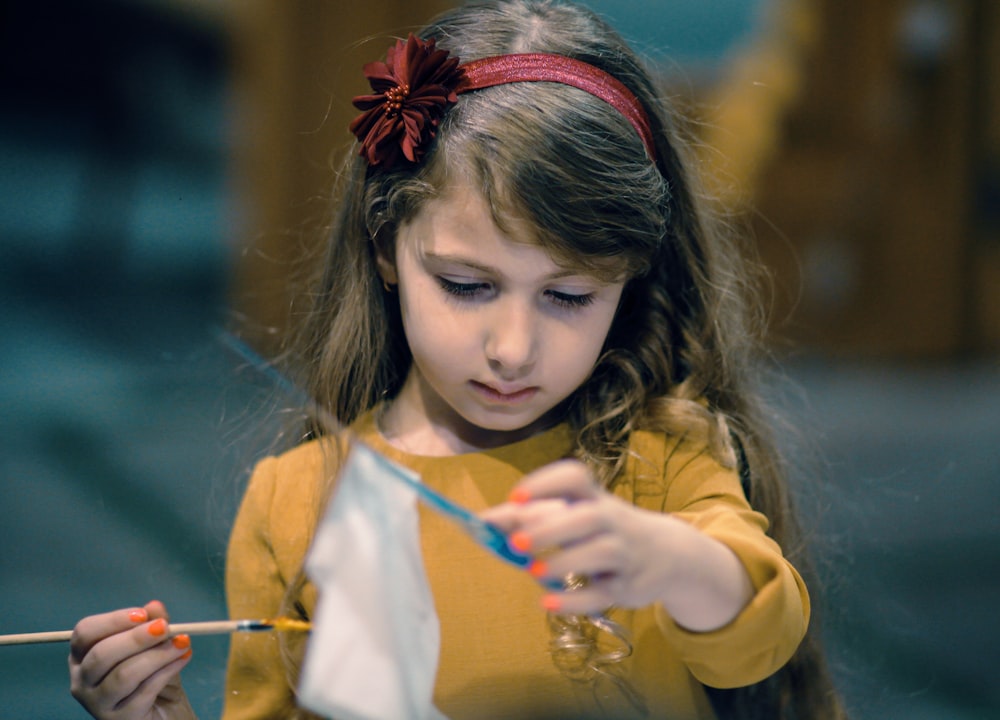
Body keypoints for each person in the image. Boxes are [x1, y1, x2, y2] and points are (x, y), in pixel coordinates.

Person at [69, 1, 846, 718]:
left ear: (633, 278)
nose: (513, 350)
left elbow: (760, 632)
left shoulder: (663, 456)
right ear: (385, 248)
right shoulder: (298, 503)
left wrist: (673, 561)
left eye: (568, 297)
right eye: (468, 286)